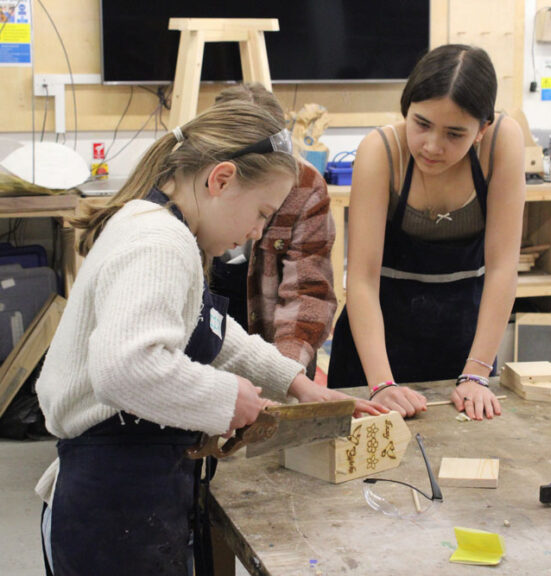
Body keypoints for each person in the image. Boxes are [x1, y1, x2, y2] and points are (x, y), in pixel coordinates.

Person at [35, 100, 383, 576]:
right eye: (261, 212)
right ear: (220, 180)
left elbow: (214, 334)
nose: (256, 232)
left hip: (127, 490)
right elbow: (125, 368)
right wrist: (228, 398)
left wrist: (296, 384)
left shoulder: (163, 227)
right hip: (112, 505)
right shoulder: (160, 242)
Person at [328, 44, 525, 421]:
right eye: (421, 124)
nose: (433, 146)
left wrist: (476, 373)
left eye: (455, 133)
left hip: (464, 345)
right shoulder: (381, 151)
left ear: (482, 129)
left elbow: (502, 267)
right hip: (375, 351)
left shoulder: (502, 142)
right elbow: (363, 281)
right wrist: (382, 385)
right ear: (406, 109)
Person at [210, 84, 336, 379]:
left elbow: (308, 293)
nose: (255, 230)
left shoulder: (304, 184)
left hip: (274, 348)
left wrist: (283, 377)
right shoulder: (186, 188)